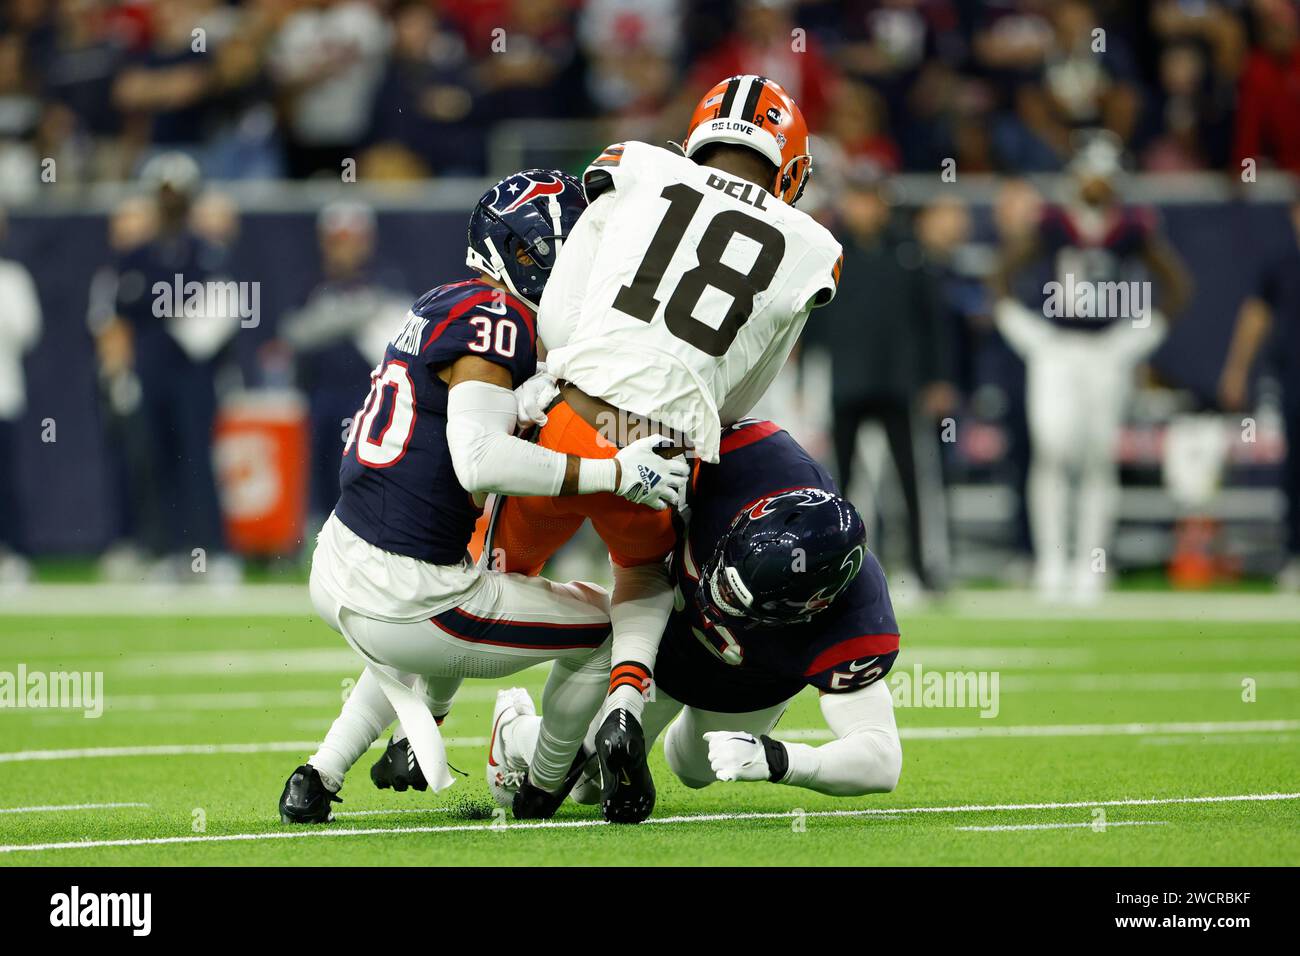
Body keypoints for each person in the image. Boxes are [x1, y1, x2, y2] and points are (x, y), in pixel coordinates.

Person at [277, 169, 689, 824]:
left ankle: (318, 773)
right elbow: (477, 460)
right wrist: (616, 474)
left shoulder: (446, 301)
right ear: (529, 252)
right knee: (613, 627)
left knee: (460, 582)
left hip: (340, 563)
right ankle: (541, 783)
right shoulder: (498, 320)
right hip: (409, 597)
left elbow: (464, 430)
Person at [485, 74, 843, 823]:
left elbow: (560, 316)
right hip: (668, 450)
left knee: (488, 573)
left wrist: (562, 384)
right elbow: (741, 399)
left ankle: (424, 719)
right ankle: (620, 705)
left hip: (578, 420)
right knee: (643, 579)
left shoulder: (640, 166)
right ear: (790, 168)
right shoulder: (812, 247)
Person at [487, 419, 902, 811]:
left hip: (746, 681)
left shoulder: (856, 616)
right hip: (668, 626)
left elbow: (881, 759)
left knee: (694, 766)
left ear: (813, 607)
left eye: (742, 602)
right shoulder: (742, 457)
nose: (718, 604)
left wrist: (779, 760)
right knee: (588, 779)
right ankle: (513, 730)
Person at [991, 133, 1191, 601]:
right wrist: (1024, 329)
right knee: (1053, 449)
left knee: (1098, 457)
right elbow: (1000, 274)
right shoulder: (1053, 223)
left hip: (1106, 351)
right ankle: (1052, 563)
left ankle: (1090, 564)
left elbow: (1177, 285)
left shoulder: (1133, 228)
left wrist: (1141, 334)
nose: (1097, 184)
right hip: (1058, 349)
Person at [808, 167, 956, 596]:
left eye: (870, 198)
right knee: (840, 485)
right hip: (847, 383)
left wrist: (937, 378)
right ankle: (838, 571)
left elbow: (931, 320)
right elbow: (814, 318)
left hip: (897, 383)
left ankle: (923, 568)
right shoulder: (832, 251)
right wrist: (809, 375)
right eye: (857, 198)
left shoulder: (907, 250)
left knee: (912, 481)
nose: (864, 208)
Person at [279, 201, 410, 528]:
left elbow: (402, 332)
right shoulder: (310, 282)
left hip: (370, 396)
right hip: (320, 391)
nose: (346, 248)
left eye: (353, 239)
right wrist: (353, 313)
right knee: (320, 468)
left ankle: (363, 534)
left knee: (364, 469)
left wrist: (334, 315)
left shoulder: (387, 277)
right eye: (339, 239)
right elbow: (294, 333)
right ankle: (322, 534)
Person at [1218, 193, 1300, 589]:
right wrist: (1236, 371)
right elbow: (1255, 316)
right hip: (1294, 378)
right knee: (1296, 469)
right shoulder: (1281, 263)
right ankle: (1295, 555)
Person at [0, 206, 42, 585]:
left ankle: (13, 553)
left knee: (5, 479)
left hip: (4, 393)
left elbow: (27, 330)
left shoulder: (12, 279)